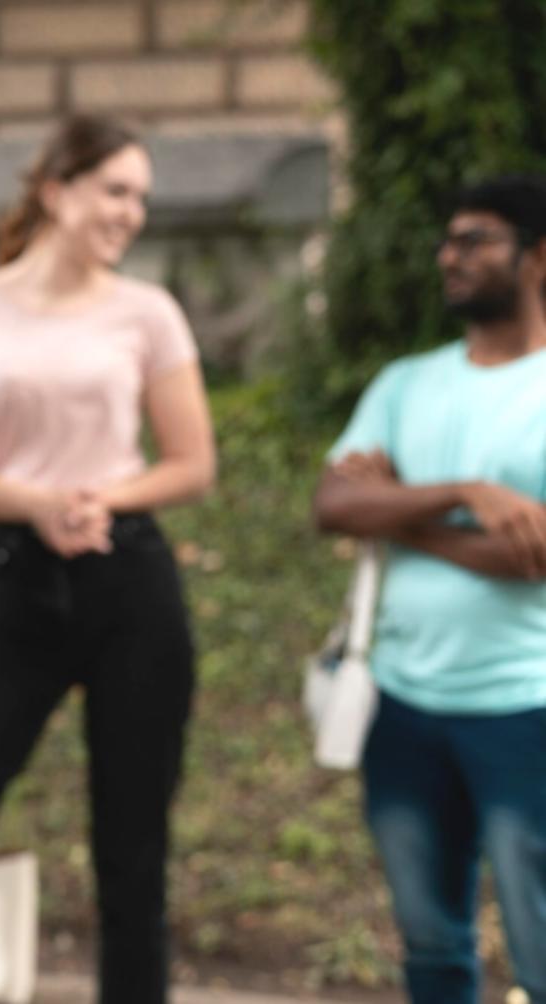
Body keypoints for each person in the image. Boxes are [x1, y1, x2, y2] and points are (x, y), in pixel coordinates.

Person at [0, 115, 216, 1004]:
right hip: (19, 582)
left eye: (141, 197)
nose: (131, 212)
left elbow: (192, 463)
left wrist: (101, 499)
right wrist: (37, 506)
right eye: (115, 190)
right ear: (58, 191)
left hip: (129, 579)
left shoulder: (148, 312)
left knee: (132, 858)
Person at [313, 176, 546, 1004]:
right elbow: (334, 504)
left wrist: (401, 511)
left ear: (538, 258)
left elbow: (536, 556)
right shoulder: (405, 384)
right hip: (403, 705)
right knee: (430, 943)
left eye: (476, 240)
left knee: (540, 949)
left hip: (526, 707)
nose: (451, 256)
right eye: (448, 240)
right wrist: (468, 495)